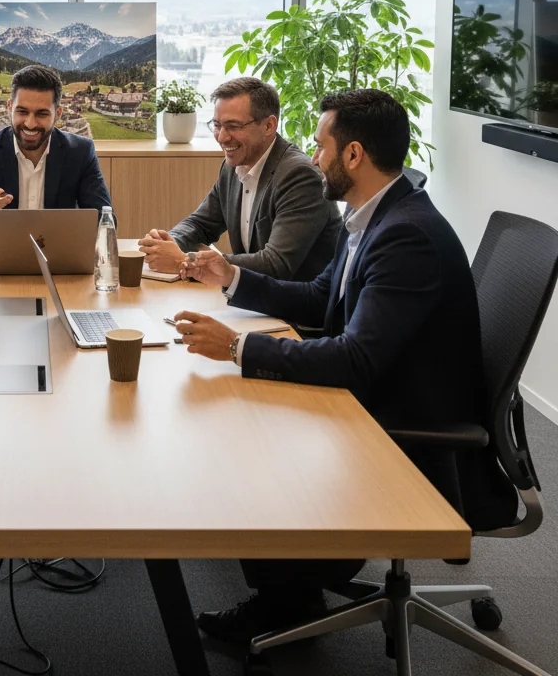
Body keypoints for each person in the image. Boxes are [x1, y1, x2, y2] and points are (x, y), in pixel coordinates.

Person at [174, 89, 515, 643]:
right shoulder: (374, 217)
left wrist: (236, 349)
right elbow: (320, 298)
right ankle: (292, 589)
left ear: (353, 155)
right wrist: (232, 280)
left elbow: (355, 359)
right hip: (382, 393)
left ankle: (289, 600)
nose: (312, 158)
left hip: (406, 432)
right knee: (240, 418)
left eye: (321, 145)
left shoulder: (405, 236)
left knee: (245, 440)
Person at [138, 77, 340, 281]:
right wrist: (166, 242)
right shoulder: (232, 167)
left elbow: (275, 264)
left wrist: (185, 260)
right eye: (217, 125)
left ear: (269, 125)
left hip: (296, 309)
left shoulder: (300, 176)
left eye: (233, 126)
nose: (222, 137)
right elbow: (201, 224)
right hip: (253, 303)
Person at [0, 64, 112, 239]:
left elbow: (107, 222)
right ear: (10, 108)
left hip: (60, 263)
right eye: (22, 112)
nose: (30, 124)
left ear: (58, 114)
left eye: (41, 114)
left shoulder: (80, 152)